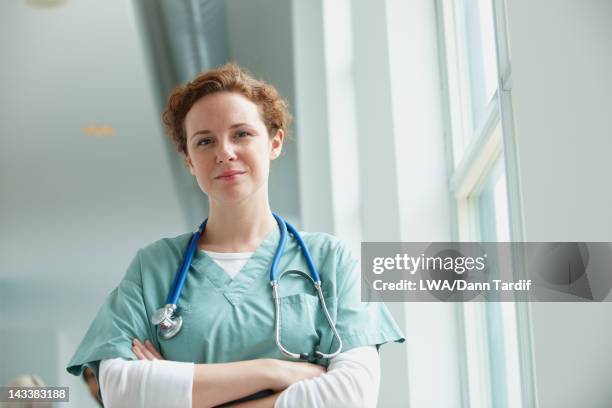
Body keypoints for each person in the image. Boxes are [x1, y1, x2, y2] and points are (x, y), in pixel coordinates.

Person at [66, 63, 404, 407]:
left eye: (241, 134)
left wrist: (175, 388)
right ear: (189, 161)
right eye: (205, 141)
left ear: (274, 143)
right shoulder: (153, 268)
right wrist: (274, 371)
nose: (224, 152)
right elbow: (122, 393)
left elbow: (351, 395)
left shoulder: (330, 260)